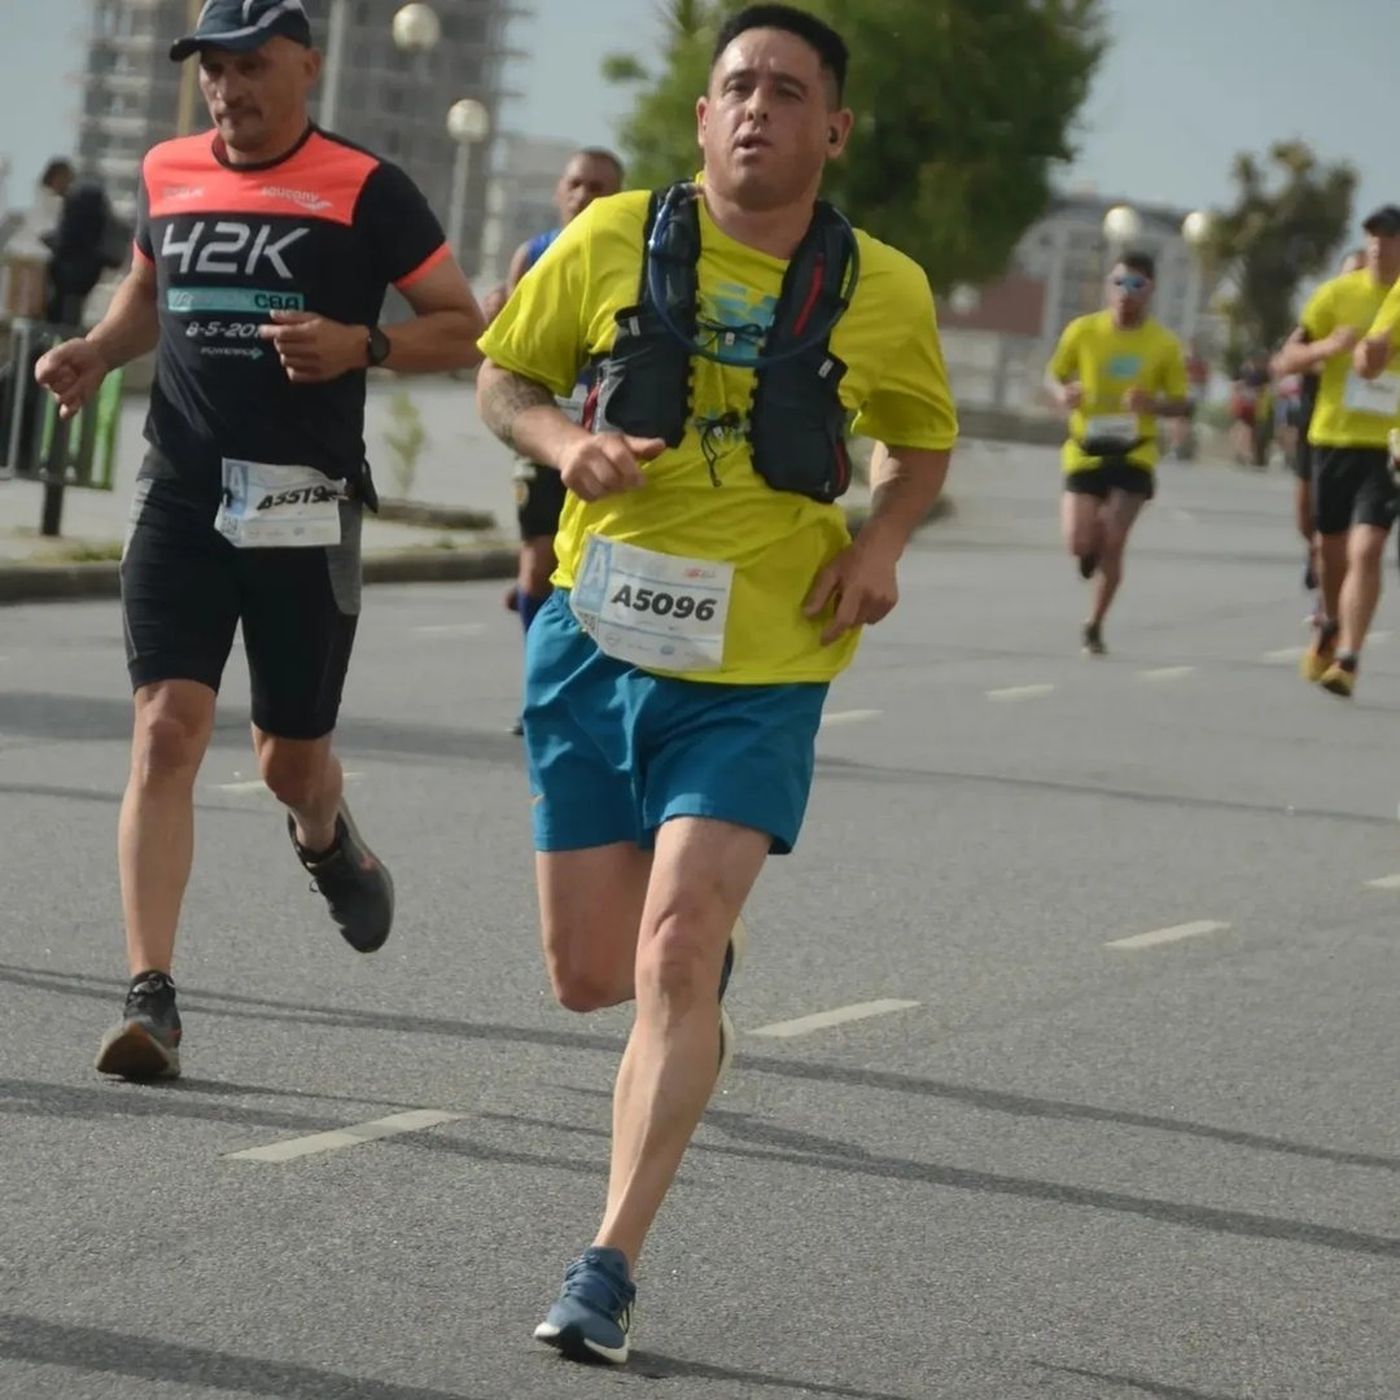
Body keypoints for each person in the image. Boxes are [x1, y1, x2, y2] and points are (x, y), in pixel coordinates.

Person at [476, 3, 956, 1364]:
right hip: (594, 638)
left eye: (789, 91)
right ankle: (682, 967)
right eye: (737, 86)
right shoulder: (611, 236)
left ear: (833, 126)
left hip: (763, 667)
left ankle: (605, 1269)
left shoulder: (888, 289)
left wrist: (883, 542)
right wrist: (563, 443)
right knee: (588, 977)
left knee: (675, 949)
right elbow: (503, 378)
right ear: (702, 116)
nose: (759, 109)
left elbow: (917, 446)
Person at [34, 0, 483, 1081]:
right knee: (165, 729)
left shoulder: (367, 186)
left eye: (250, 67)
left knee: (286, 761)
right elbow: (151, 291)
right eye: (212, 71)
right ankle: (153, 996)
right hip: (181, 493)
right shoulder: (168, 169)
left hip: (302, 502)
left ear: (306, 69)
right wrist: (95, 349)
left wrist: (361, 341)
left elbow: (465, 323)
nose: (228, 90)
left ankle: (327, 834)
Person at [494, 149, 625, 733]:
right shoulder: (535, 253)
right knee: (536, 565)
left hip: (600, 435)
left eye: (599, 187)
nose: (584, 195)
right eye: (575, 183)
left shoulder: (631, 259)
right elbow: (507, 351)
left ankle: (596, 690)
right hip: (545, 435)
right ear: (558, 190)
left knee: (593, 571)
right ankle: (537, 694)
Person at [1274, 208, 1400, 696]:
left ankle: (1349, 656)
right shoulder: (1335, 294)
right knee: (1330, 553)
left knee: (1367, 549)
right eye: (1373, 236)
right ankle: (1328, 623)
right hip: (1333, 438)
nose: (1379, 245)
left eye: (1390, 238)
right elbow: (1286, 359)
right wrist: (1327, 348)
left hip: (1386, 447)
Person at [1046, 252, 1191, 655]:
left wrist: (1153, 405)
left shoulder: (1163, 344)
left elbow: (1182, 404)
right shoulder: (1083, 331)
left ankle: (1094, 622)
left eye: (1136, 286)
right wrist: (1064, 393)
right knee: (1079, 541)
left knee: (1113, 537)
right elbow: (1054, 374)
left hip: (1134, 452)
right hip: (1085, 448)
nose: (1126, 294)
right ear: (1108, 287)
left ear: (1150, 291)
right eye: (1119, 283)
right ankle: (1087, 551)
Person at [1282, 248, 1367, 613]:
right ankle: (1318, 550)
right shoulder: (1326, 312)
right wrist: (1325, 352)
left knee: (1350, 531)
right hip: (1318, 430)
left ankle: (1329, 608)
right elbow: (1284, 359)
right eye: (1350, 275)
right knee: (1307, 519)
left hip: (1370, 436)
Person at [38, 158, 117, 327]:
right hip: (84, 269)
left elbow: (74, 237)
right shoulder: (85, 195)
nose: (55, 191)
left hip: (77, 271)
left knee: (63, 316)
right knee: (66, 313)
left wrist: (54, 243)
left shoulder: (81, 198)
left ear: (61, 176)